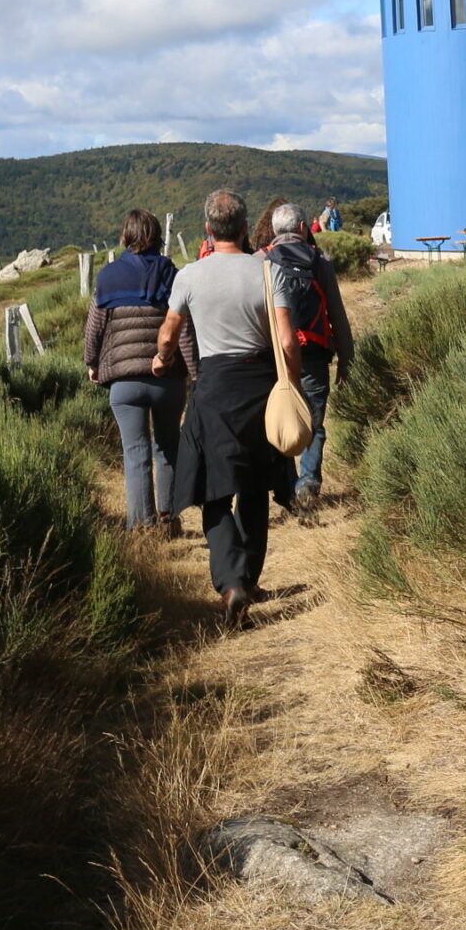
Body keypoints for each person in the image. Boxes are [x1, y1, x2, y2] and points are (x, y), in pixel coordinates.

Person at [155, 188, 297, 625]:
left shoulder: (189, 277)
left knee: (214, 492)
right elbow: (288, 339)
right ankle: (249, 579)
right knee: (254, 488)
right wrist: (292, 386)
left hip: (214, 387)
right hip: (260, 384)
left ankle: (232, 582)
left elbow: (168, 332)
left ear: (208, 231)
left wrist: (162, 359)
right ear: (243, 225)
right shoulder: (268, 270)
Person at [83, 209, 183, 530]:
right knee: (168, 444)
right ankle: (169, 517)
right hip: (166, 376)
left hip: (124, 382)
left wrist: (92, 363)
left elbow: (94, 328)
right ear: (156, 235)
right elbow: (184, 324)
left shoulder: (108, 276)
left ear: (125, 236)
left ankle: (142, 525)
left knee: (135, 451)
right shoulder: (170, 273)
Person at [263, 200, 353, 504]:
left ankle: (287, 484)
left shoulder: (264, 261)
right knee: (313, 423)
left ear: (275, 231)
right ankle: (308, 482)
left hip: (276, 358)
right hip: (315, 354)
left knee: (282, 418)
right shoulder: (320, 261)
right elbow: (337, 315)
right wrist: (346, 358)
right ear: (304, 228)